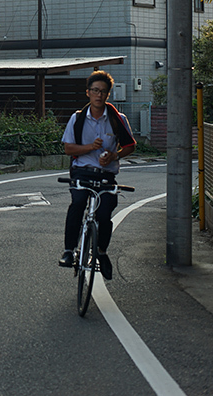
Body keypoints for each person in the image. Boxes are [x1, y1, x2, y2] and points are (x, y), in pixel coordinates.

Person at [59, 71, 136, 280]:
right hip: (82, 172)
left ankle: (101, 252)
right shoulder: (77, 118)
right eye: (95, 91)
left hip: (106, 176)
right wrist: (89, 148)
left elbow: (131, 145)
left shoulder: (117, 118)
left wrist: (114, 156)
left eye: (103, 92)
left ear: (108, 94)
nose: (98, 95)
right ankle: (69, 251)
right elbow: (68, 149)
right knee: (77, 203)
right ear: (88, 93)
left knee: (104, 214)